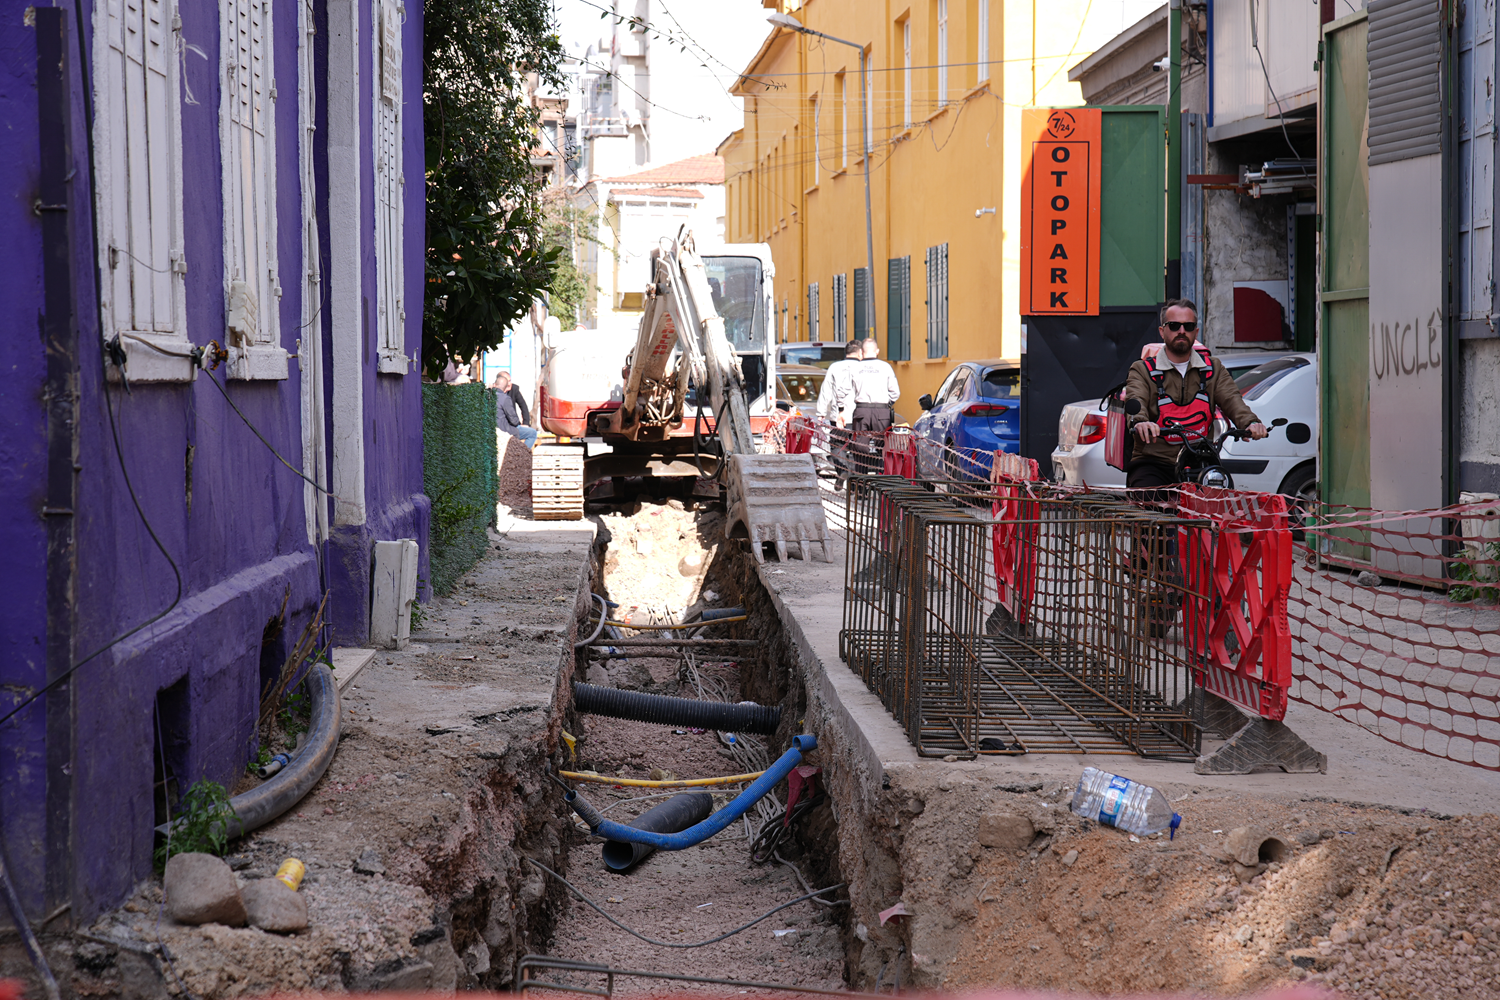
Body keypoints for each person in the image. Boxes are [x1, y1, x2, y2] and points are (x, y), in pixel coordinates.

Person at [1123, 298, 1265, 635]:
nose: (1181, 332)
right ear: (1163, 331)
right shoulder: (1143, 369)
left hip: (1199, 460)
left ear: (1196, 331)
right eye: (1174, 326)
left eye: (1188, 326)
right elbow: (1136, 399)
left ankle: (1218, 592)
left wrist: (1251, 423)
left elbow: (1233, 400)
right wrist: (1141, 421)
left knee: (1221, 515)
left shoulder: (1212, 368)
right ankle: (1149, 564)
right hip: (1155, 459)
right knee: (1147, 508)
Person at [848, 337, 901, 475]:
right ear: (877, 351)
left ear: (862, 352)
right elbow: (895, 392)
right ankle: (881, 480)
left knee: (860, 448)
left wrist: (842, 409)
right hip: (882, 411)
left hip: (862, 410)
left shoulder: (855, 368)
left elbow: (845, 391)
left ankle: (861, 486)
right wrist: (887, 403)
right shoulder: (886, 367)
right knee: (883, 448)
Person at [814, 341, 863, 483]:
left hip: (839, 416)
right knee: (856, 449)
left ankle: (842, 471)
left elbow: (826, 391)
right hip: (858, 416)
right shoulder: (864, 367)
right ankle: (854, 484)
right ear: (860, 353)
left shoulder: (834, 367)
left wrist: (821, 412)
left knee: (836, 446)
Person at [493, 370, 538, 450]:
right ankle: (522, 455)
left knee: (526, 431)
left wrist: (525, 423)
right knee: (532, 433)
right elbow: (513, 419)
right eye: (507, 381)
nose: (509, 383)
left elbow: (523, 406)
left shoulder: (514, 389)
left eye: (510, 381)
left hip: (511, 424)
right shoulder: (503, 397)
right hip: (506, 427)